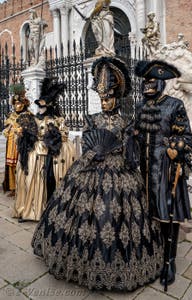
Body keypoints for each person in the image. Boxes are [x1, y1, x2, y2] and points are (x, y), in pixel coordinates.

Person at [31, 57, 163, 291]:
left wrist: (129, 141)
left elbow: (127, 149)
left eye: (108, 98)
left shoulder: (125, 122)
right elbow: (87, 143)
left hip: (119, 172)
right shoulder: (91, 120)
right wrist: (95, 153)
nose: (104, 103)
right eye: (102, 98)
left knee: (118, 216)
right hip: (90, 168)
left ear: (117, 98)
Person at [134, 60, 192, 287]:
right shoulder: (141, 106)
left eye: (151, 82)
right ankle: (152, 252)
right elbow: (136, 132)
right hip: (144, 169)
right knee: (147, 214)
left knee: (167, 215)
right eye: (144, 83)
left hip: (166, 170)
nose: (147, 86)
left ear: (160, 83)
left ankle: (169, 261)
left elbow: (187, 137)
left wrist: (176, 146)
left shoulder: (175, 104)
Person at [13, 78, 75, 222]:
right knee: (30, 180)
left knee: (48, 179)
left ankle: (49, 209)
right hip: (35, 154)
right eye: (39, 105)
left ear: (49, 105)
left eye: (42, 105)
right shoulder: (32, 119)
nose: (40, 108)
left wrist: (54, 136)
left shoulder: (57, 119)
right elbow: (29, 134)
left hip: (50, 155)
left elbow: (64, 135)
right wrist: (23, 134)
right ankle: (30, 210)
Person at [2, 83, 30, 197]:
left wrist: (20, 130)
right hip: (11, 145)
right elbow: (7, 128)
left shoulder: (27, 115)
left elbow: (30, 131)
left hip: (21, 145)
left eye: (19, 103)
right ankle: (13, 187)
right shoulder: (11, 115)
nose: (16, 105)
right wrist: (8, 130)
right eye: (15, 103)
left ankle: (22, 186)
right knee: (11, 165)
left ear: (23, 104)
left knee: (20, 165)